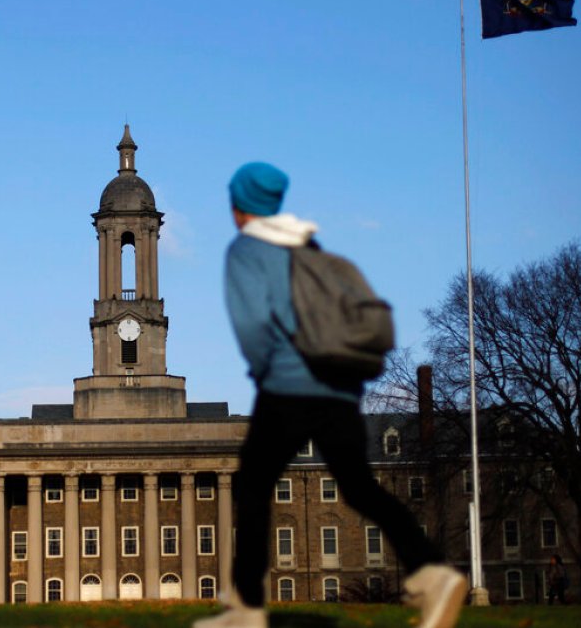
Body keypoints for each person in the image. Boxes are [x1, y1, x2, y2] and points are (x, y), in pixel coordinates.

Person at [194, 163, 467, 628]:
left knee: (254, 487)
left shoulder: (248, 249)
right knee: (360, 487)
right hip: (339, 390)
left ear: (241, 205)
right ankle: (432, 571)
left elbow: (253, 325)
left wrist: (265, 370)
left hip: (287, 385)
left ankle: (245, 609)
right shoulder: (309, 247)